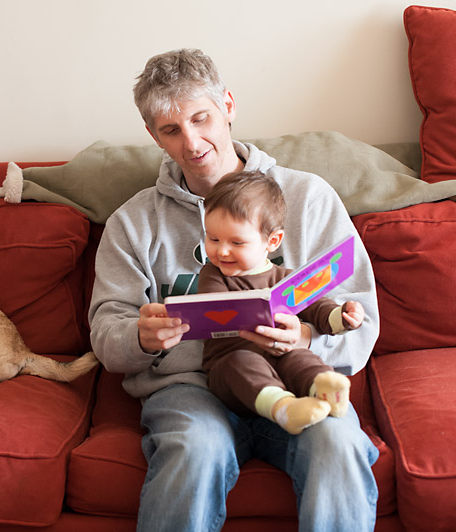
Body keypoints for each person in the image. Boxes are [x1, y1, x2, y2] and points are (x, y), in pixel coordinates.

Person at [89, 48, 380, 532]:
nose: (193, 142)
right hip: (189, 393)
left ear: (228, 105)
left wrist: (307, 339)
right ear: (152, 136)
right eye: (171, 130)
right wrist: (139, 338)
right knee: (194, 448)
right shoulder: (134, 223)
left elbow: (361, 315)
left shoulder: (307, 198)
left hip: (293, 382)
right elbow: (105, 332)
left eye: (201, 118)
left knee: (337, 443)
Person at [199, 170, 365, 436]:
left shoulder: (285, 279)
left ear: (272, 241)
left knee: (301, 357)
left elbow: (318, 307)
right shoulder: (212, 274)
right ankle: (284, 408)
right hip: (230, 372)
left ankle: (323, 389)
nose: (222, 251)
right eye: (213, 239)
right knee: (242, 361)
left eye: (236, 242)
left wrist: (341, 317)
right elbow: (212, 304)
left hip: (280, 358)